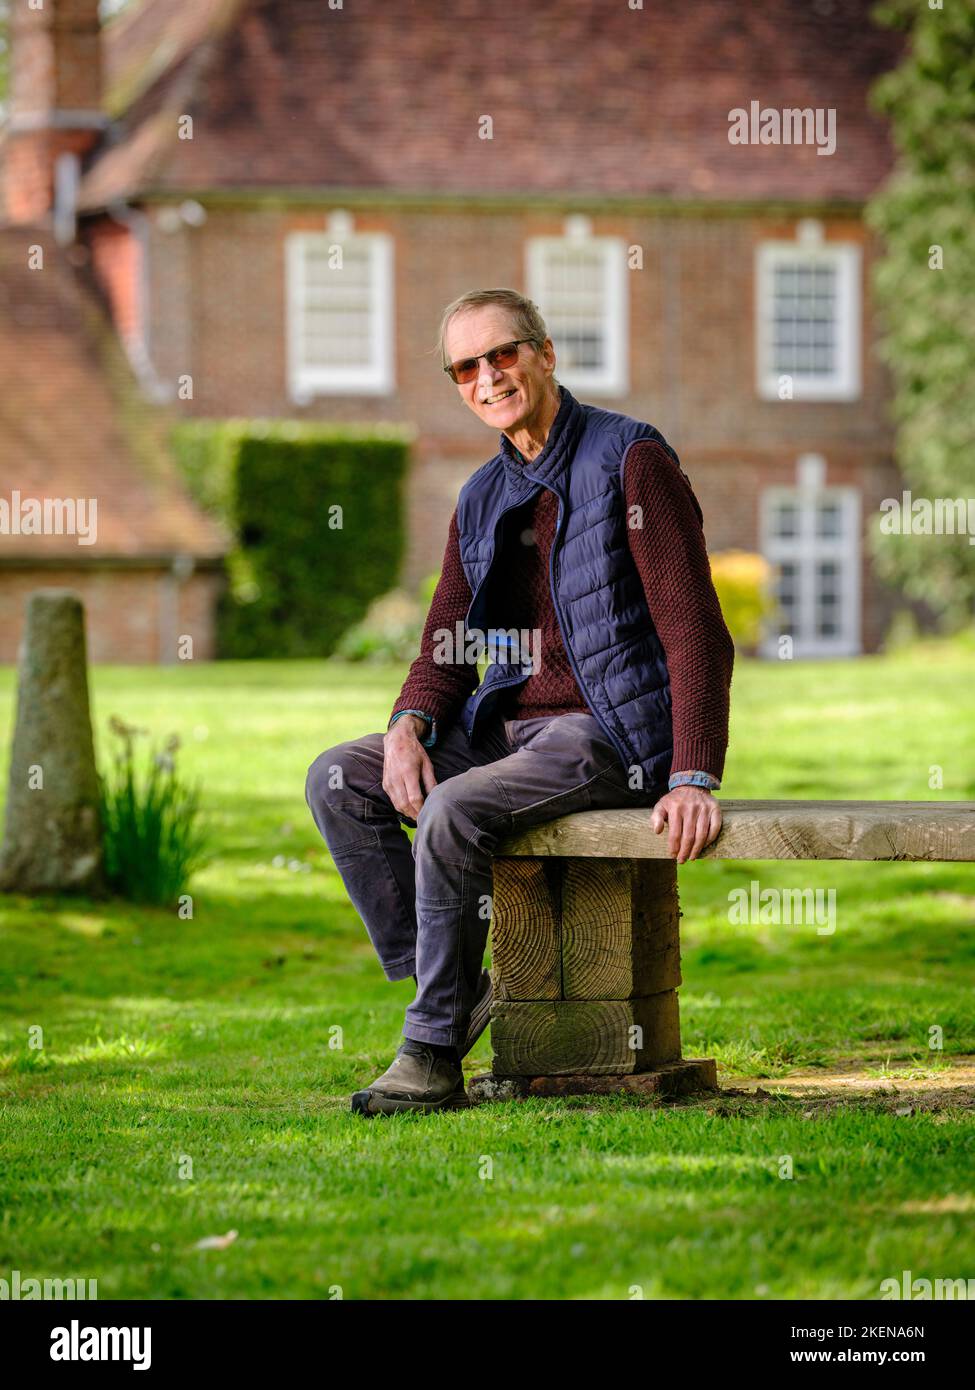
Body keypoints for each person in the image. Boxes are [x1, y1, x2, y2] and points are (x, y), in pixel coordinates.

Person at [305, 288, 735, 1115]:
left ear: (544, 354)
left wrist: (691, 774)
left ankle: (430, 1050)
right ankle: (460, 991)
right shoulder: (481, 494)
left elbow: (695, 630)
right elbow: (446, 636)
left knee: (453, 812)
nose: (486, 377)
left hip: (606, 735)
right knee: (337, 779)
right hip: (509, 732)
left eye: (501, 354)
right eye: (465, 367)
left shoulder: (628, 457)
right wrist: (407, 727)